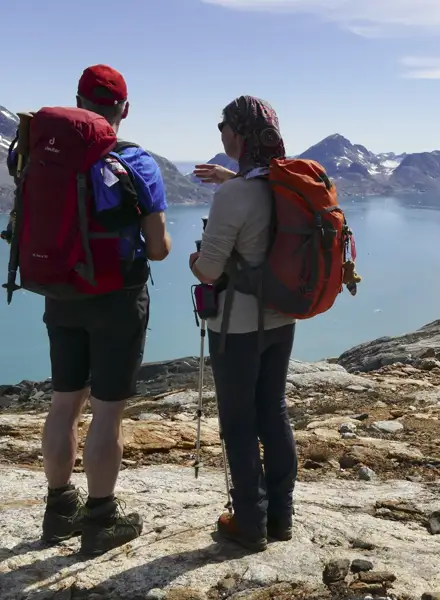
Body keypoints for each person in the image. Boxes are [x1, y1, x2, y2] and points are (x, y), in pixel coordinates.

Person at [39, 64, 171, 555]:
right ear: (125, 110)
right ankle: (99, 519)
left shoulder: (42, 155)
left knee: (63, 402)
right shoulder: (136, 161)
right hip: (117, 299)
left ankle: (58, 511)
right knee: (107, 414)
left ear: (76, 100)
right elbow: (157, 248)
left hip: (61, 292)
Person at [189, 96, 297, 551]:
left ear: (241, 133)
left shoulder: (234, 194)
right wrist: (230, 179)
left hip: (237, 326)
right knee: (273, 411)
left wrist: (195, 258)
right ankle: (280, 517)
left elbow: (210, 271)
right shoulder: (285, 184)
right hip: (281, 318)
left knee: (237, 423)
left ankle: (247, 523)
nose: (220, 134)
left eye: (224, 126)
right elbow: (259, 207)